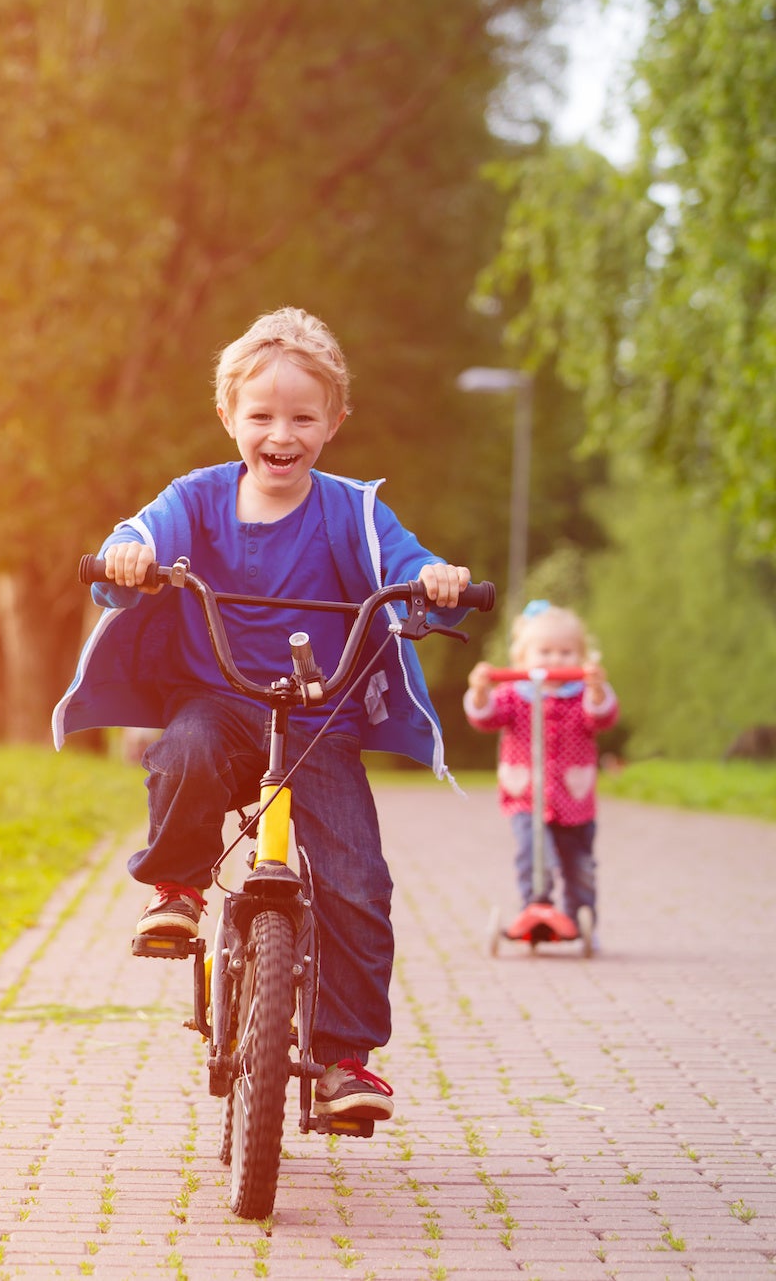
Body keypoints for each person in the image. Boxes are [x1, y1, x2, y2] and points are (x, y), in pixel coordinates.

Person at [50, 307, 475, 1122]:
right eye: (262, 415)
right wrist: (130, 556)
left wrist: (436, 577)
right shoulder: (198, 500)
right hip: (220, 700)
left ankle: (344, 1058)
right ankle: (177, 888)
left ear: (334, 423)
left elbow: (405, 560)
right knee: (185, 748)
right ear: (228, 417)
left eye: (302, 417)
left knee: (357, 879)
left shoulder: (351, 510)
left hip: (322, 721)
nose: (281, 433)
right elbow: (138, 532)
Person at [463, 600, 619, 926]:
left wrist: (597, 689)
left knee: (580, 866)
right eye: (544, 652)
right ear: (522, 659)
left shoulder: (582, 696)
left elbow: (601, 717)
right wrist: (480, 692)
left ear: (581, 657)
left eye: (565, 653)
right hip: (526, 798)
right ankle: (537, 906)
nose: (555, 660)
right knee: (533, 855)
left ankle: (580, 917)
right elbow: (486, 718)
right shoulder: (513, 694)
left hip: (573, 800)